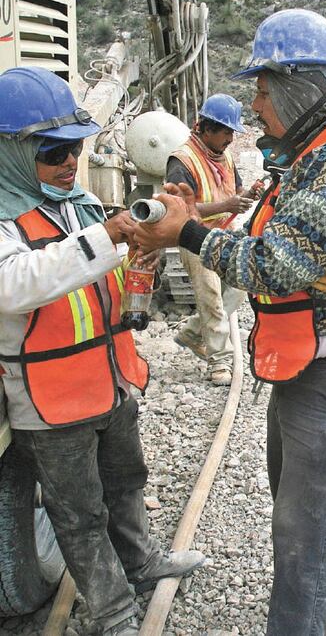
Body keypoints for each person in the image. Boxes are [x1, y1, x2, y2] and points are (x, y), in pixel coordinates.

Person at [133, 9, 326, 635]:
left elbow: (277, 265)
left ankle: (309, 613)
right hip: (314, 362)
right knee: (308, 499)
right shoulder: (309, 158)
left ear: (297, 86)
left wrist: (189, 231)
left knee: (299, 539)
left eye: (261, 88)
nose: (254, 104)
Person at [0, 67, 204, 636]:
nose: (70, 161)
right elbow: (12, 285)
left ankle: (139, 565)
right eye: (54, 151)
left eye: (76, 148)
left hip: (108, 376)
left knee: (126, 481)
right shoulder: (4, 216)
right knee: (80, 514)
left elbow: (115, 262)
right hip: (51, 396)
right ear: (13, 152)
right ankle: (111, 611)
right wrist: (107, 237)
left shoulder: (77, 200)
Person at [166, 93, 258, 386]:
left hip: (223, 232)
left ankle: (192, 333)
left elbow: (234, 192)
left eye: (232, 132)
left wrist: (248, 196)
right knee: (211, 298)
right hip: (194, 237)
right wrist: (226, 206)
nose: (230, 138)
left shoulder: (225, 156)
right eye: (226, 131)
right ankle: (219, 361)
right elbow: (177, 208)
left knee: (240, 286)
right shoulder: (182, 160)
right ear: (205, 129)